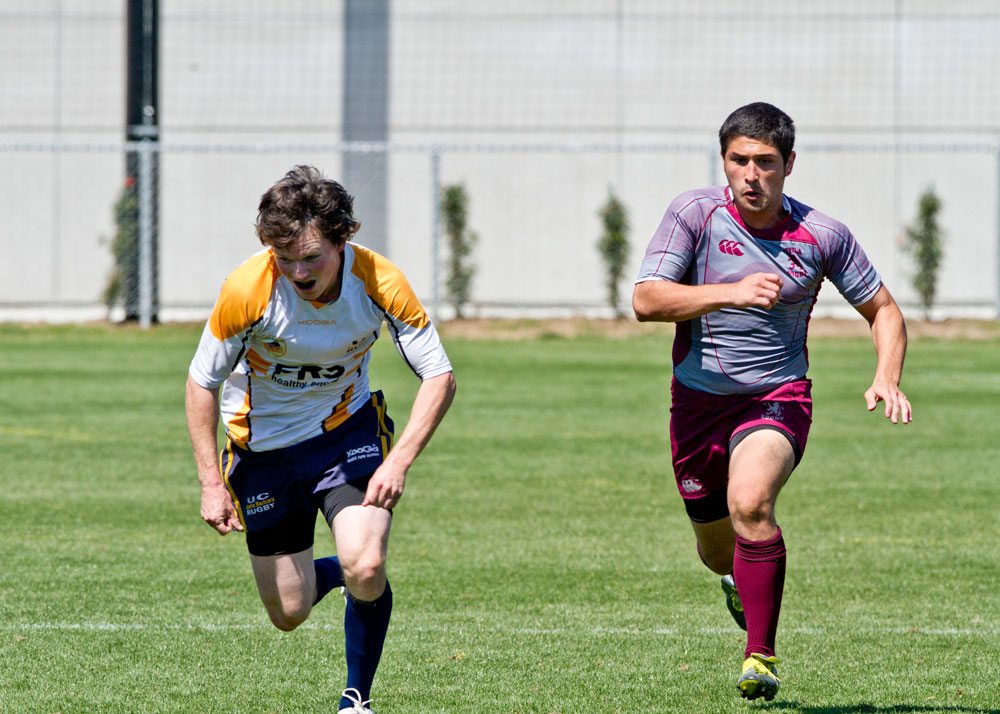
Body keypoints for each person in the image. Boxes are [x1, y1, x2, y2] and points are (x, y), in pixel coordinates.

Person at [632, 102, 911, 701]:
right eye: (738, 160)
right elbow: (647, 300)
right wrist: (728, 294)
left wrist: (887, 374)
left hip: (777, 398)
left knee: (751, 502)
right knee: (715, 550)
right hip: (697, 404)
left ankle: (760, 655)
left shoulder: (822, 235)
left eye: (764, 162)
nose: (750, 174)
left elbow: (883, 309)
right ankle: (737, 576)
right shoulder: (694, 214)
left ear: (789, 165)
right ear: (724, 161)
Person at [185, 165, 456, 714]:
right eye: (285, 259)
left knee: (367, 565)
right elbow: (201, 383)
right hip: (262, 454)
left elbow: (440, 376)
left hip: (346, 433)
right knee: (289, 611)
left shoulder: (380, 282)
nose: (298, 272)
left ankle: (356, 698)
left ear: (343, 237)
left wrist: (397, 461)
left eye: (312, 257)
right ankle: (330, 571)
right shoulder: (247, 290)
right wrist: (211, 483)